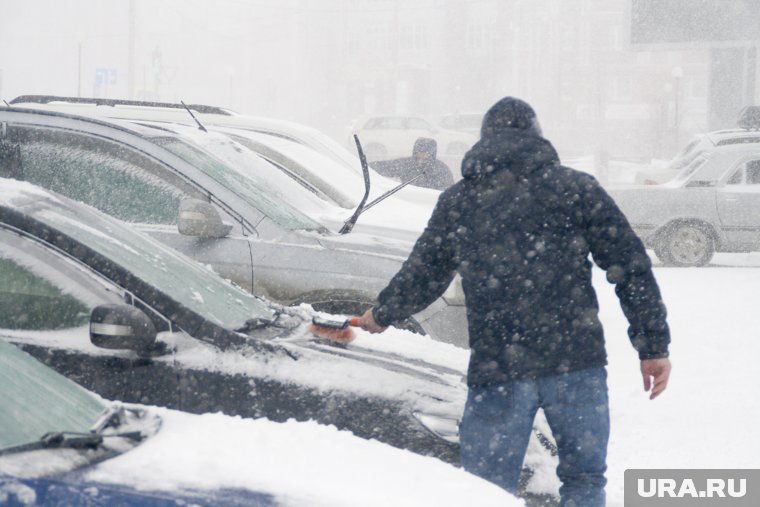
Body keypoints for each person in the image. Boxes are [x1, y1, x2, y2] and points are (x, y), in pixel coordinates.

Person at [355, 96, 672, 506]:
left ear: (483, 140)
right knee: (585, 481)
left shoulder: (460, 201)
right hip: (575, 362)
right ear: (538, 137)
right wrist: (653, 346)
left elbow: (425, 272)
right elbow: (631, 267)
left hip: (499, 366)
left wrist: (381, 314)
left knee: (485, 492)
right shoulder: (577, 190)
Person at [371, 137, 455, 190]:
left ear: (432, 154)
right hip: (407, 204)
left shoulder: (442, 170)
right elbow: (385, 167)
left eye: (426, 153)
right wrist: (363, 166)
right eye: (419, 152)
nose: (422, 155)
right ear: (415, 151)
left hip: (429, 206)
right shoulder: (406, 165)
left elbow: (449, 191)